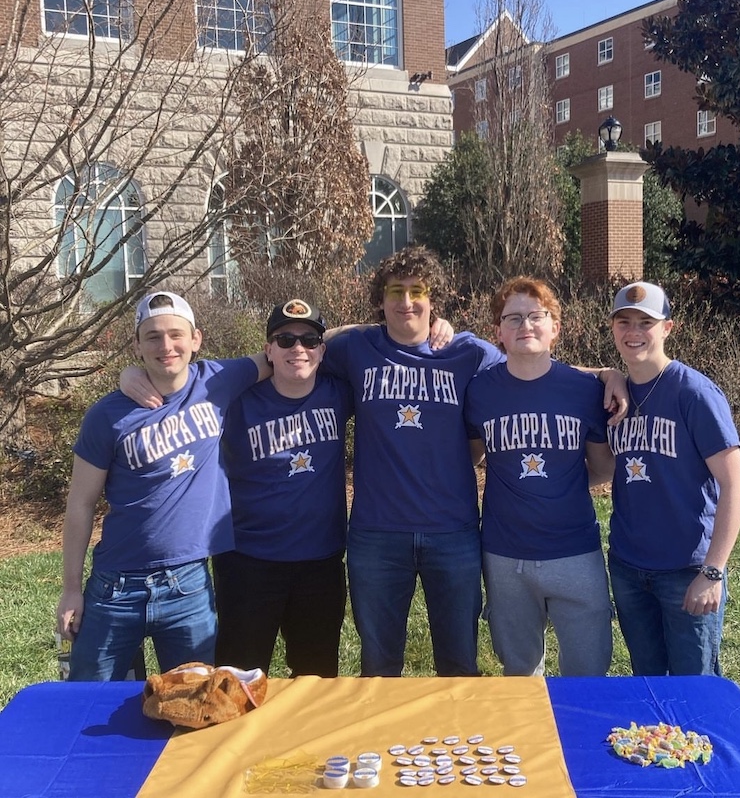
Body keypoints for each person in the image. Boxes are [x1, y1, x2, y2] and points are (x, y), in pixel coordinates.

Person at [320, 245, 627, 677]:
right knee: (379, 664)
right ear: (380, 299)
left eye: (416, 291)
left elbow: (533, 362)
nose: (406, 301)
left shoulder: (467, 352)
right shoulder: (357, 348)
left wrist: (606, 375)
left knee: (459, 663)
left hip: (454, 532)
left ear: (434, 298)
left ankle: (461, 744)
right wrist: (367, 325)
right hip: (376, 533)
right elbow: (310, 344)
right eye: (394, 292)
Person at [55, 291, 270, 680]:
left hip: (188, 586)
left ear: (196, 340)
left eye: (176, 334)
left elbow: (285, 354)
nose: (166, 345)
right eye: (152, 336)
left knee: (193, 705)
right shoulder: (107, 415)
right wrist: (71, 589)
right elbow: (80, 505)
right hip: (114, 590)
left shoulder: (218, 380)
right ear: (136, 345)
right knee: (90, 704)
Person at [465, 277, 614, 677]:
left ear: (555, 327)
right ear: (498, 332)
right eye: (512, 318)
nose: (525, 325)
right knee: (520, 674)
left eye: (536, 316)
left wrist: (559, 488)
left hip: (575, 551)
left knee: (588, 672)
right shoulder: (479, 391)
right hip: (504, 553)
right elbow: (471, 454)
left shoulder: (584, 390)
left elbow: (602, 466)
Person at [605, 281, 740, 676]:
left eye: (646, 323)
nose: (634, 332)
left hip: (688, 571)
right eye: (624, 322)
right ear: (613, 328)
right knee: (648, 685)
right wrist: (607, 373)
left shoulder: (695, 394)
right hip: (629, 568)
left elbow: (735, 485)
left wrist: (713, 571)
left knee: (695, 689)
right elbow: (552, 367)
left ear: (668, 328)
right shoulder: (614, 394)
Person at [213, 299, 353, 677]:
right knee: (235, 678)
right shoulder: (236, 401)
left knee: (316, 678)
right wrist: (134, 374)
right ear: (267, 350)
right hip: (248, 563)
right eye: (285, 339)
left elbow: (371, 341)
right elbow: (180, 382)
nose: (298, 349)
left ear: (323, 350)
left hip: (320, 564)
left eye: (309, 340)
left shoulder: (338, 393)